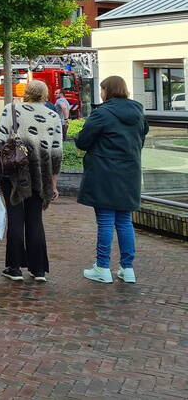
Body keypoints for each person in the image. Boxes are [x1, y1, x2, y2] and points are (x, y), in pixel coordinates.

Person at [0, 80, 63, 282]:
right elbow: (57, 153)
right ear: (45, 94)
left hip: (14, 173)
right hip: (40, 175)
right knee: (35, 219)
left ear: (26, 92)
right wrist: (53, 183)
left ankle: (14, 268)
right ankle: (39, 270)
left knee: (15, 217)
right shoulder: (53, 116)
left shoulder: (13, 109)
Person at [74, 75, 148, 284]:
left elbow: (84, 140)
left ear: (108, 90)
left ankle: (103, 267)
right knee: (124, 221)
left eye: (102, 89)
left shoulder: (103, 113)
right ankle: (127, 267)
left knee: (105, 221)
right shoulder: (138, 113)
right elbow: (139, 140)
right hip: (130, 173)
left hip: (105, 173)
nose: (101, 93)